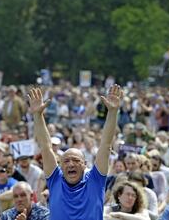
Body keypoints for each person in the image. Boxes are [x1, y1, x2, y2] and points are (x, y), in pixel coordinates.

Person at [27, 85, 123, 220]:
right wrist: (38, 115)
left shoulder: (95, 179)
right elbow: (46, 146)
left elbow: (106, 145)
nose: (71, 164)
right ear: (60, 165)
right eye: (66, 161)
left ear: (85, 164)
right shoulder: (55, 179)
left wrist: (113, 112)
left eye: (76, 160)